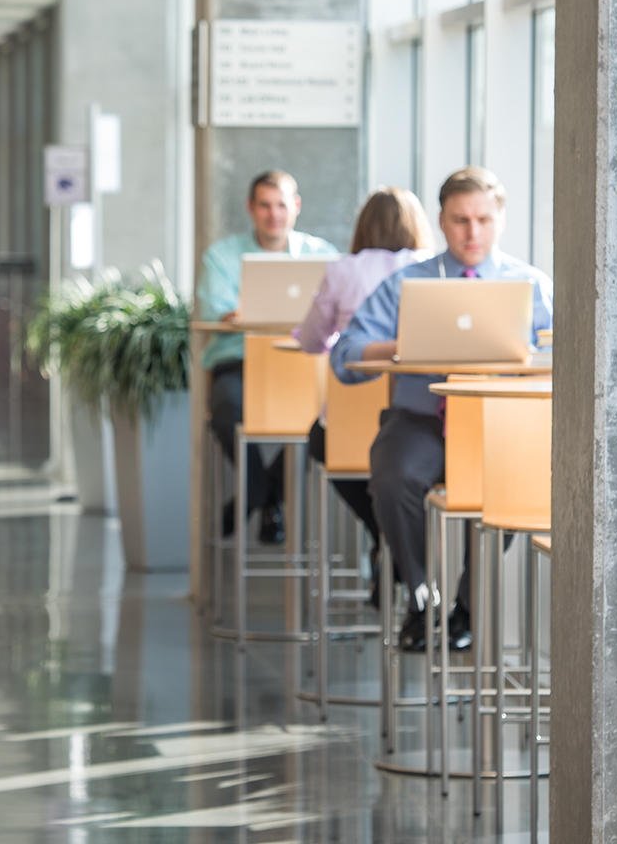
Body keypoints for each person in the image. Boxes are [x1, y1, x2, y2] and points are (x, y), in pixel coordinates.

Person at [330, 167, 552, 652]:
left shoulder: (531, 285)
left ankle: (465, 608)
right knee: (391, 475)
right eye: (460, 220)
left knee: (514, 483)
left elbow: (565, 359)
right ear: (441, 220)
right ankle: (421, 597)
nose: (473, 232)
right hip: (422, 422)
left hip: (500, 427)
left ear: (500, 220)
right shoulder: (408, 283)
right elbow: (345, 353)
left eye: (483, 220)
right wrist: (405, 346)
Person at [198, 170, 338, 542]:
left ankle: (253, 498)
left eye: (281, 205)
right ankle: (264, 497)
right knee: (226, 407)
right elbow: (220, 310)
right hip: (240, 361)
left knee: (328, 420)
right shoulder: (222, 255)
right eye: (264, 205)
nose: (273, 214)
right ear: (250, 208)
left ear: (296, 207)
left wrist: (257, 312)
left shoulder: (322, 255)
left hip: (304, 366)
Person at [296, 187, 434, 555]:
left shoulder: (343, 269)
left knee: (319, 440)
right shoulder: (433, 268)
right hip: (424, 424)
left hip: (349, 422)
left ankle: (382, 536)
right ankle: (396, 539)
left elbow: (311, 341)